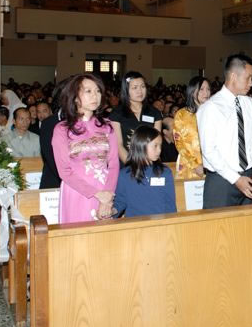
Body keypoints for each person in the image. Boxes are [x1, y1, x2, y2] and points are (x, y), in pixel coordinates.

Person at [197, 54, 252, 209]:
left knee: (251, 224)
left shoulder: (249, 104)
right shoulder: (211, 107)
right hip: (222, 180)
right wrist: (236, 179)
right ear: (234, 76)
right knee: (218, 224)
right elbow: (209, 150)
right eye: (248, 78)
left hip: (249, 177)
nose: (251, 83)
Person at [52, 74, 119, 223]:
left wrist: (108, 195)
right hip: (78, 191)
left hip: (105, 189)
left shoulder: (107, 126)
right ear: (75, 97)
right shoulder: (62, 129)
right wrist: (96, 194)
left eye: (98, 91)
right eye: (88, 91)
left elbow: (114, 163)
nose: (95, 95)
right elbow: (64, 171)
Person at [113, 126, 177, 218]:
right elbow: (120, 202)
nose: (159, 150)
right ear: (141, 145)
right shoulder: (124, 175)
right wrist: (112, 211)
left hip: (160, 223)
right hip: (135, 224)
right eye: (155, 146)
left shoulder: (164, 172)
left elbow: (170, 204)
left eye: (160, 146)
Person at [109, 71, 163, 163]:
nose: (140, 91)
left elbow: (156, 142)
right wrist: (131, 166)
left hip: (149, 163)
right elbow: (118, 145)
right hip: (126, 163)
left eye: (142, 86)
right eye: (135, 87)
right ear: (126, 90)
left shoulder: (154, 113)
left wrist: (148, 166)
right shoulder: (117, 113)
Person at [173, 76, 211, 179]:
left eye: (208, 89)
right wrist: (195, 165)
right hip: (188, 166)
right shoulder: (181, 114)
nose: (206, 93)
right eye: (201, 89)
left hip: (211, 167)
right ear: (192, 91)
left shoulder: (213, 113)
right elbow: (179, 143)